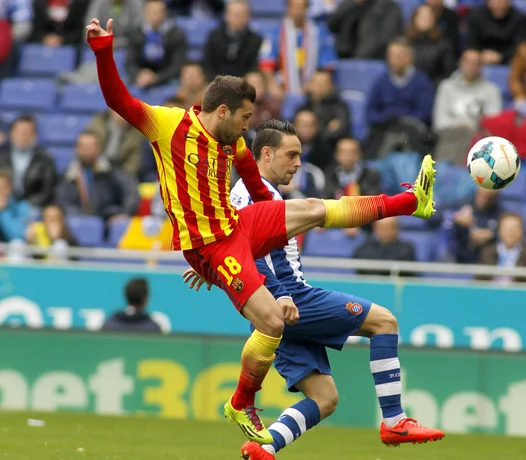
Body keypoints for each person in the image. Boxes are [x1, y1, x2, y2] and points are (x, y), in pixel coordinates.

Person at [86, 17, 436, 444]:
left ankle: (411, 202)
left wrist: (281, 222)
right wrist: (104, 50)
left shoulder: (232, 141)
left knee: (310, 207)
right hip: (210, 246)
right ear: (222, 111)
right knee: (270, 320)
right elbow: (118, 99)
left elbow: (253, 181)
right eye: (245, 118)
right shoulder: (168, 125)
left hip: (237, 229)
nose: (247, 127)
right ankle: (241, 402)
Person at [184, 120, 444, 459]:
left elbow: (238, 249)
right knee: (384, 322)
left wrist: (212, 267)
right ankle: (394, 420)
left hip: (275, 309)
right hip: (291, 297)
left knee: (324, 399)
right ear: (266, 153)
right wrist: (281, 295)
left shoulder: (248, 193)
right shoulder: (253, 193)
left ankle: (264, 450)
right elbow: (257, 256)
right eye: (291, 155)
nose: (297, 164)